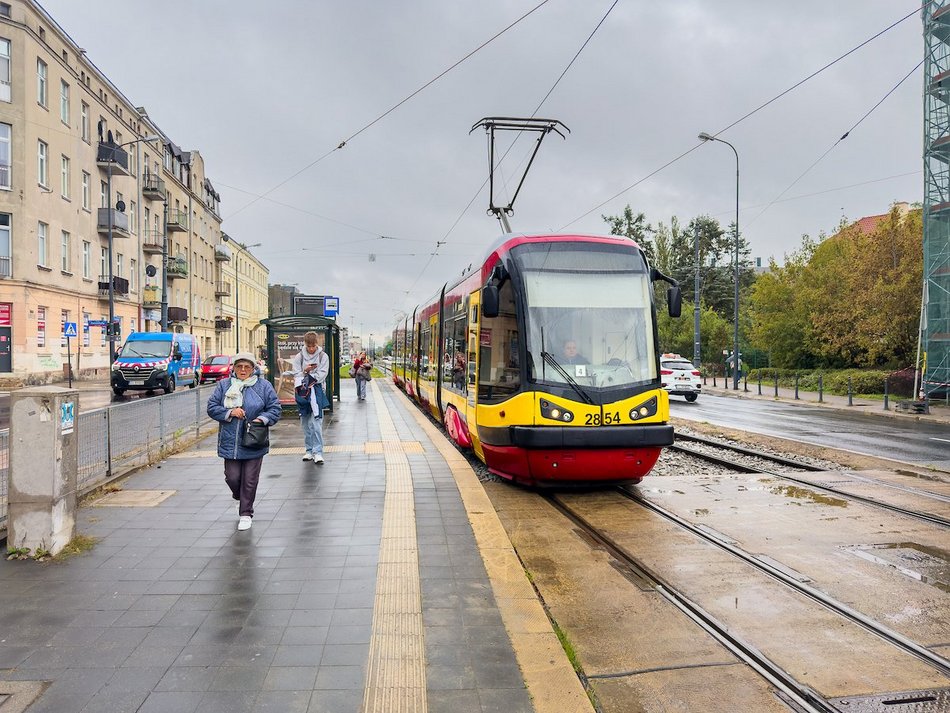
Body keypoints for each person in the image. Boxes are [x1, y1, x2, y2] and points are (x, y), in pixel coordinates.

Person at [207, 352, 282, 531]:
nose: (243, 370)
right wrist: (230, 412)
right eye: (239, 366)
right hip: (230, 441)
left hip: (253, 440)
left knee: (249, 479)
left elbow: (274, 408)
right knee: (232, 477)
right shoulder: (224, 385)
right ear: (233, 368)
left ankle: (246, 513)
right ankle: (240, 497)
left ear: (253, 368)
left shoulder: (263, 386)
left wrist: (262, 419)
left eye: (247, 367)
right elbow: (212, 407)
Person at [293, 332, 330, 463]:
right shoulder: (299, 357)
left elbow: (323, 374)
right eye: (309, 346)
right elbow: (296, 373)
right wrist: (305, 371)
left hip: (316, 391)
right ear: (305, 344)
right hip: (302, 391)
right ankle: (308, 450)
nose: (311, 349)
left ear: (317, 344)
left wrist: (309, 377)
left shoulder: (323, 356)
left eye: (313, 346)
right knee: (305, 423)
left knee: (316, 422)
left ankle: (318, 451)